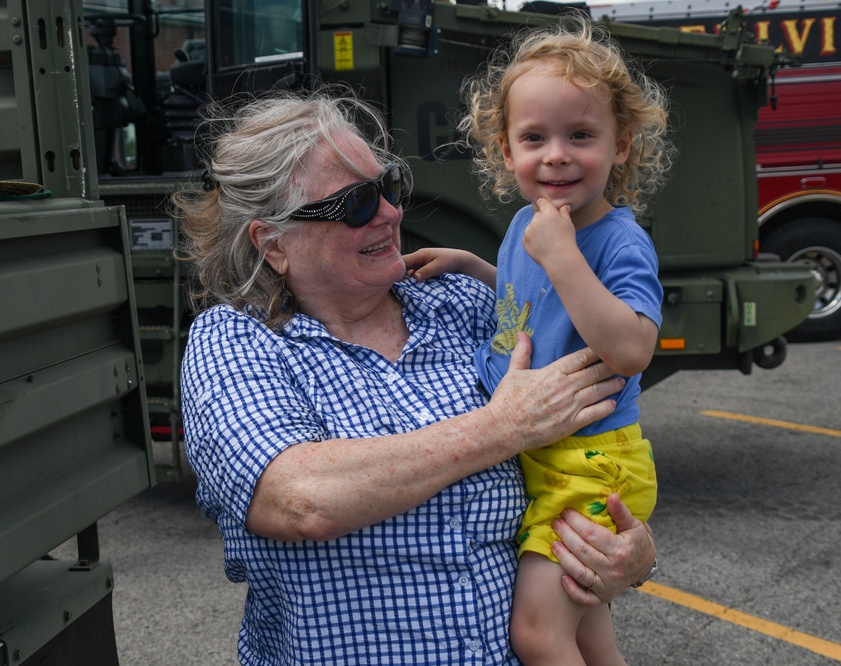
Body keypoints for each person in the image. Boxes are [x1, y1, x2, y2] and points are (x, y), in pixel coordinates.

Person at [174, 87, 657, 665]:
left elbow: (596, 440)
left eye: (389, 186)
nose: (390, 212)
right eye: (354, 204)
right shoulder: (235, 342)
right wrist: (502, 428)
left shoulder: (460, 306)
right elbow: (301, 501)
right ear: (273, 243)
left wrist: (632, 554)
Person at [404, 15, 674, 665]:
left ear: (623, 145)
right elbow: (537, 308)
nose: (556, 154)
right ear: (505, 150)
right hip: (546, 451)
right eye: (534, 137)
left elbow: (632, 348)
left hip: (591, 460)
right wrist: (479, 267)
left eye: (581, 135)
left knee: (536, 634)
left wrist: (563, 258)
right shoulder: (529, 224)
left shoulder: (615, 240)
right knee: (586, 634)